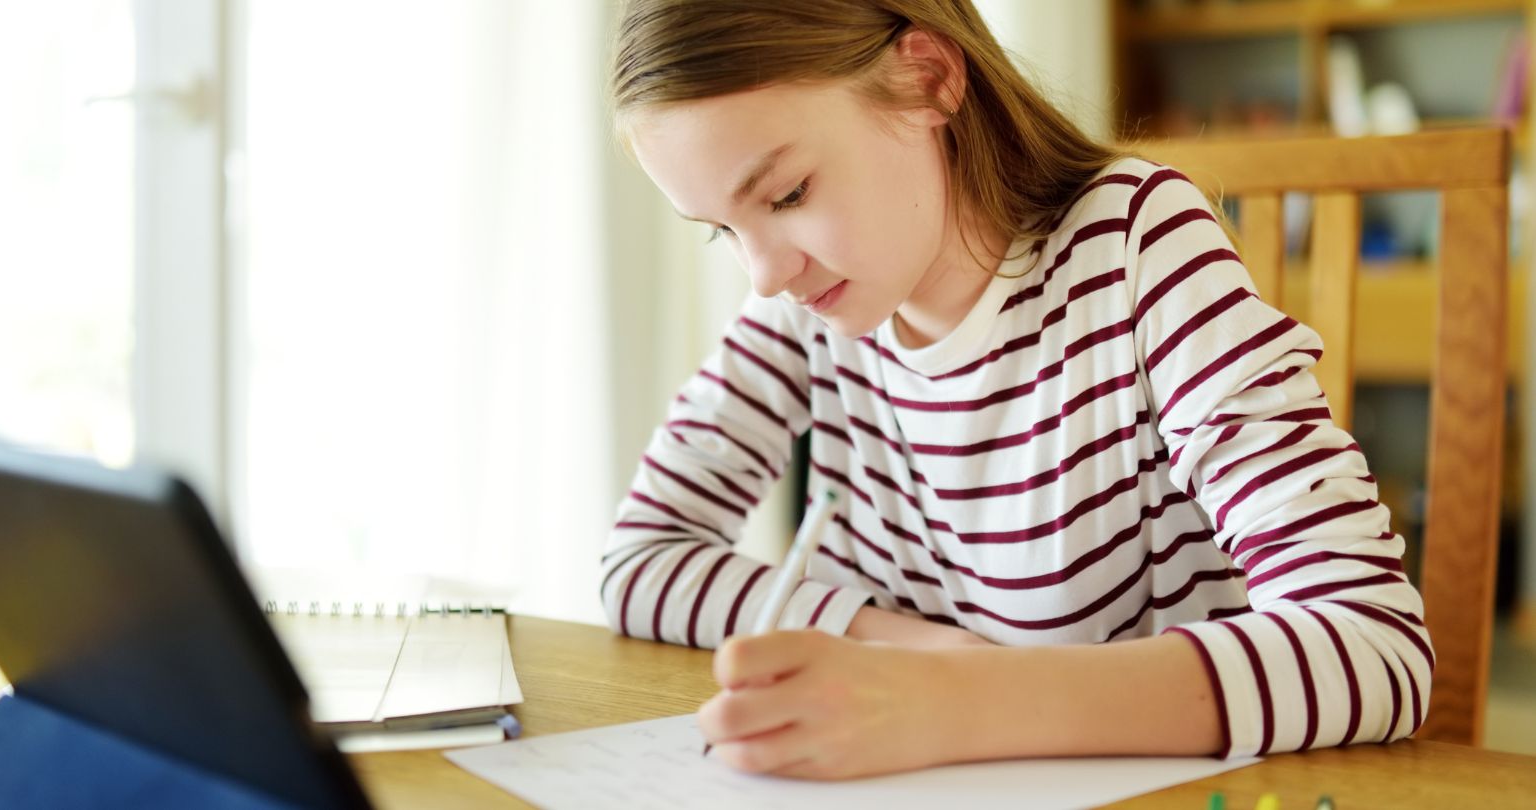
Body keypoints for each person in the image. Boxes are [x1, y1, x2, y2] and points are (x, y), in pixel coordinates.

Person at [601, 0, 1432, 780]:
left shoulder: (1136, 246)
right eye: (723, 229)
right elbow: (639, 562)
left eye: (788, 194)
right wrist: (908, 649)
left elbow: (1374, 644)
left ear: (928, 79)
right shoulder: (805, 314)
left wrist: (951, 703)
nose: (767, 273)